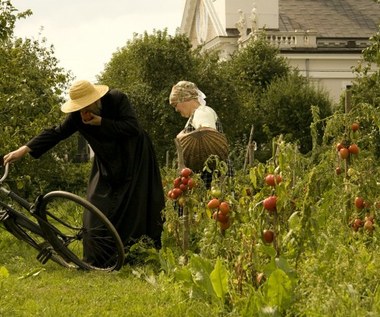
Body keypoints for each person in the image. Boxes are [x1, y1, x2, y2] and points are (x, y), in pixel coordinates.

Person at [3, 80, 165, 265]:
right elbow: (56, 133)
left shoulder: (117, 98)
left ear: (96, 100)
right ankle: (96, 260)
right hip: (107, 162)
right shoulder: (77, 116)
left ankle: (135, 256)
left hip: (135, 158)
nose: (82, 112)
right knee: (96, 207)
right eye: (78, 108)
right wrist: (24, 149)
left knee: (134, 207)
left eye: (84, 106)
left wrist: (101, 122)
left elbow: (132, 127)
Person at [169, 80, 232, 188]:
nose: (176, 109)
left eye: (176, 104)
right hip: (208, 174)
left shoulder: (202, 112)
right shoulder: (196, 115)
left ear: (184, 99)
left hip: (212, 176)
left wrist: (181, 137)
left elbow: (206, 134)